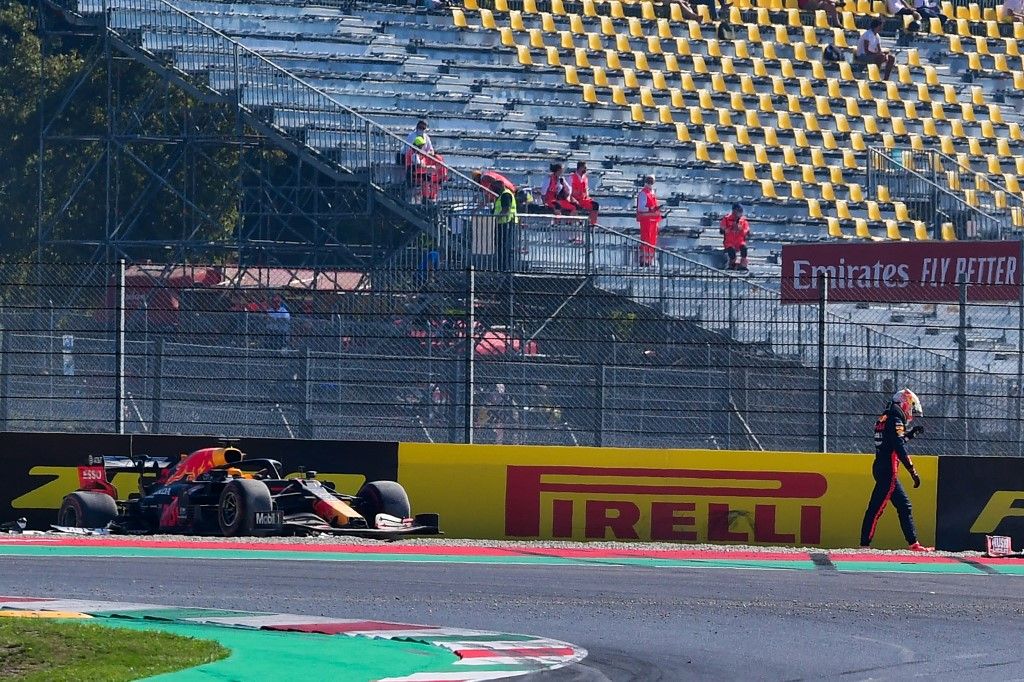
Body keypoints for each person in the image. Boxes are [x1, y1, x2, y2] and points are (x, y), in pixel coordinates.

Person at [860, 389, 934, 552]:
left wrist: (910, 435)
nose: (911, 415)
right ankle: (864, 545)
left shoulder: (885, 417)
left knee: (904, 505)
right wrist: (912, 470)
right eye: (911, 409)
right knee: (876, 508)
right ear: (905, 404)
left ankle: (913, 543)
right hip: (888, 470)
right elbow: (898, 446)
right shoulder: (895, 418)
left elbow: (892, 441)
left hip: (880, 465)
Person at [636, 175, 661, 267]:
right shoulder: (643, 193)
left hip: (653, 220)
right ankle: (644, 260)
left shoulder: (652, 192)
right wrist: (652, 209)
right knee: (646, 239)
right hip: (646, 220)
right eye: (649, 181)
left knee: (652, 241)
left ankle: (650, 260)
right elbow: (641, 208)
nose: (650, 183)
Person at [493, 181, 518, 269]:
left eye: (495, 187)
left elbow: (506, 210)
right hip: (503, 223)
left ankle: (505, 268)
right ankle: (502, 267)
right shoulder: (502, 195)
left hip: (506, 223)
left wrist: (495, 219)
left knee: (504, 247)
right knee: (501, 247)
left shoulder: (505, 195)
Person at [719, 203, 750, 271]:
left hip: (739, 241)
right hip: (729, 241)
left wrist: (740, 229)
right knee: (731, 251)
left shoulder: (743, 220)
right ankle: (732, 263)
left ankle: (743, 264)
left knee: (744, 248)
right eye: (737, 211)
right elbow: (722, 230)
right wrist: (730, 228)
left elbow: (747, 231)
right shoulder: (726, 219)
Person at [570, 161, 600, 230]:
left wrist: (587, 196)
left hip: (583, 199)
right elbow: (569, 190)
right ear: (580, 168)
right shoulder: (572, 177)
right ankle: (571, 222)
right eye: (585, 168)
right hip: (575, 199)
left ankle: (592, 224)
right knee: (575, 206)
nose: (586, 170)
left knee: (595, 205)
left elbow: (586, 189)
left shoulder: (585, 178)